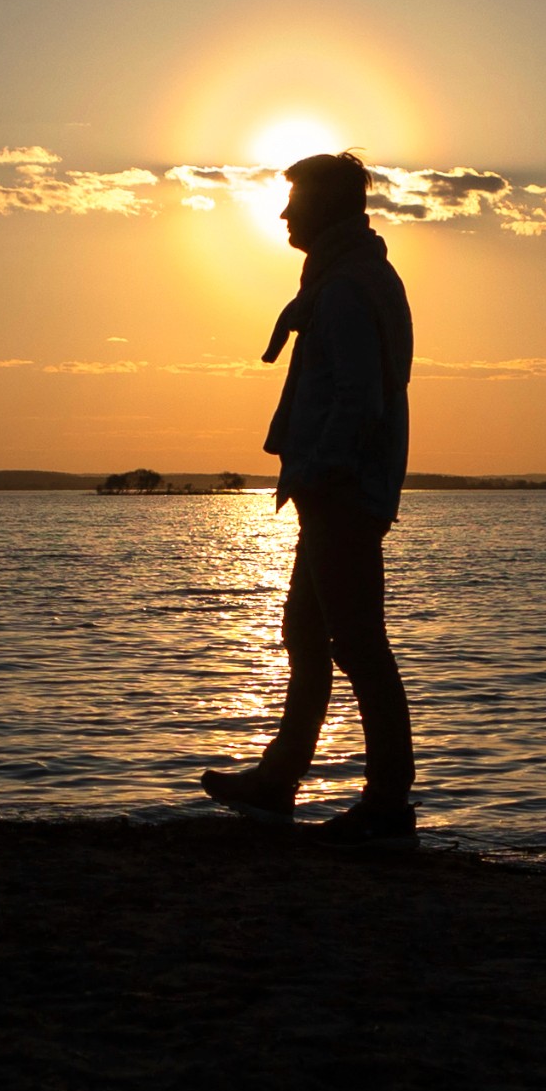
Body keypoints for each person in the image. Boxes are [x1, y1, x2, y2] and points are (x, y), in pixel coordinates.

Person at [200, 151, 417, 839]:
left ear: (327, 207)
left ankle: (386, 804)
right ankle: (279, 779)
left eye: (295, 199)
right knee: (305, 634)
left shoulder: (348, 288)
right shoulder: (351, 278)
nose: (285, 212)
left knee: (358, 644)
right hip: (339, 489)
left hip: (342, 491)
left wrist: (323, 469)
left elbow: (360, 395)